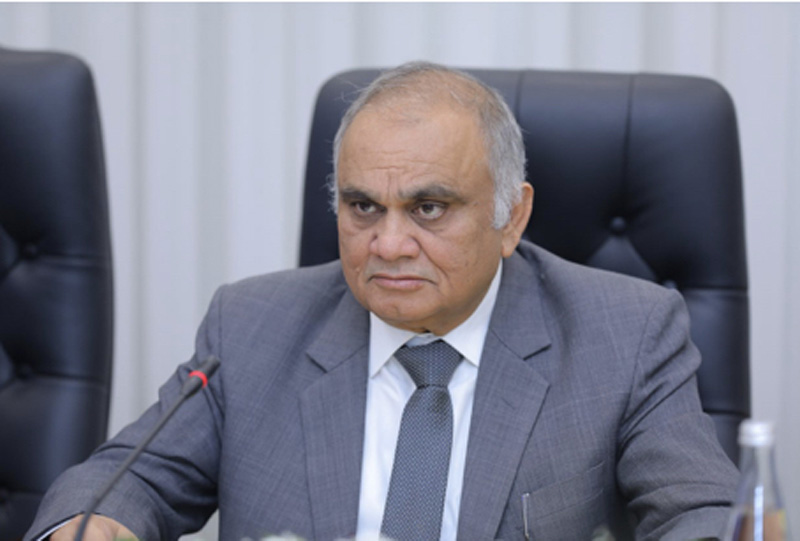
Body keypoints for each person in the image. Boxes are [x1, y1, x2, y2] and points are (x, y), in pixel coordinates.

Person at [27, 61, 738, 541]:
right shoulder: (249, 328)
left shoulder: (625, 335)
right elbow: (130, 478)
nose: (389, 244)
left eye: (429, 208)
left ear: (511, 217)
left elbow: (703, 513)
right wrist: (95, 523)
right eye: (363, 206)